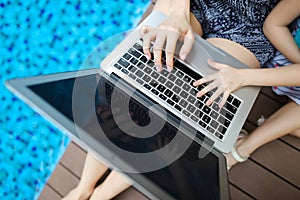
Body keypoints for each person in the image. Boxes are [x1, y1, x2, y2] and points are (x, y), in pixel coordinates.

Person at [64, 0, 286, 199]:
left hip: (253, 24)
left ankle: (101, 194)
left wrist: (243, 77)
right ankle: (83, 188)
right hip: (193, 4)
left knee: (172, 118)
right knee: (128, 90)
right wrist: (178, 12)